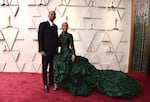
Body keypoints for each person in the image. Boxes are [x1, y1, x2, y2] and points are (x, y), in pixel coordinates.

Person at [53, 22, 141, 98]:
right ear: (62, 27)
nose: (64, 27)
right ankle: (59, 84)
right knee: (59, 64)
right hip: (62, 54)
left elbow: (72, 46)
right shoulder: (60, 36)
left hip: (68, 53)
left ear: (67, 27)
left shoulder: (69, 35)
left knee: (74, 68)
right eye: (63, 26)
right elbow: (58, 44)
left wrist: (73, 54)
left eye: (65, 26)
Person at [38, 11, 58, 92]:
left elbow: (56, 39)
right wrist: (41, 50)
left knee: (52, 68)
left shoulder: (55, 26)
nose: (53, 15)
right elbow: (40, 37)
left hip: (53, 52)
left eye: (54, 14)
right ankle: (45, 84)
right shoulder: (43, 25)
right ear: (48, 15)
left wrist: (57, 50)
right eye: (51, 14)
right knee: (44, 68)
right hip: (45, 51)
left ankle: (51, 81)